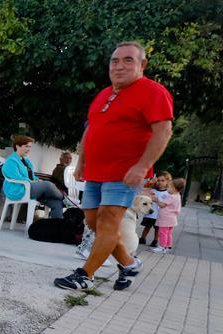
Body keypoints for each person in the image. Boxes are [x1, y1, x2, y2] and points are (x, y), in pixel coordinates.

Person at [55, 41, 173, 292]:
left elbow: (163, 131)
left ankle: (85, 275)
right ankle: (129, 264)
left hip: (125, 173)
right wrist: (81, 162)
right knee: (93, 222)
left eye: (128, 60)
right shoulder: (104, 94)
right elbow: (91, 131)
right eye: (114, 61)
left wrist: (143, 166)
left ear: (142, 64)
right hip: (96, 172)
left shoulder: (153, 91)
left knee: (108, 221)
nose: (119, 66)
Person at [1, 135, 65, 219]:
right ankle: (64, 197)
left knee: (57, 202)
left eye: (30, 147)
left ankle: (56, 228)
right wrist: (34, 182)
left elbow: (32, 176)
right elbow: (17, 178)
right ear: (17, 146)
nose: (28, 149)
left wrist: (37, 180)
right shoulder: (11, 161)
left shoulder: (26, 161)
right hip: (18, 189)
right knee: (47, 185)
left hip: (31, 189)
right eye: (26, 146)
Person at [149, 177, 185, 253]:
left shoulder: (171, 196)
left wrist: (156, 200)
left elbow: (162, 205)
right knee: (168, 233)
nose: (167, 189)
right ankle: (168, 246)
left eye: (169, 187)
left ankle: (162, 247)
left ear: (174, 188)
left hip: (166, 218)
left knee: (162, 232)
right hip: (172, 218)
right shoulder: (178, 196)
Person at [139, 171, 171, 247]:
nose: (160, 182)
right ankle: (143, 238)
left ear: (167, 182)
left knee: (157, 229)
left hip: (159, 215)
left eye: (162, 181)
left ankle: (155, 240)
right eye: (158, 180)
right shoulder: (152, 191)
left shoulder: (168, 193)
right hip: (150, 214)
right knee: (147, 226)